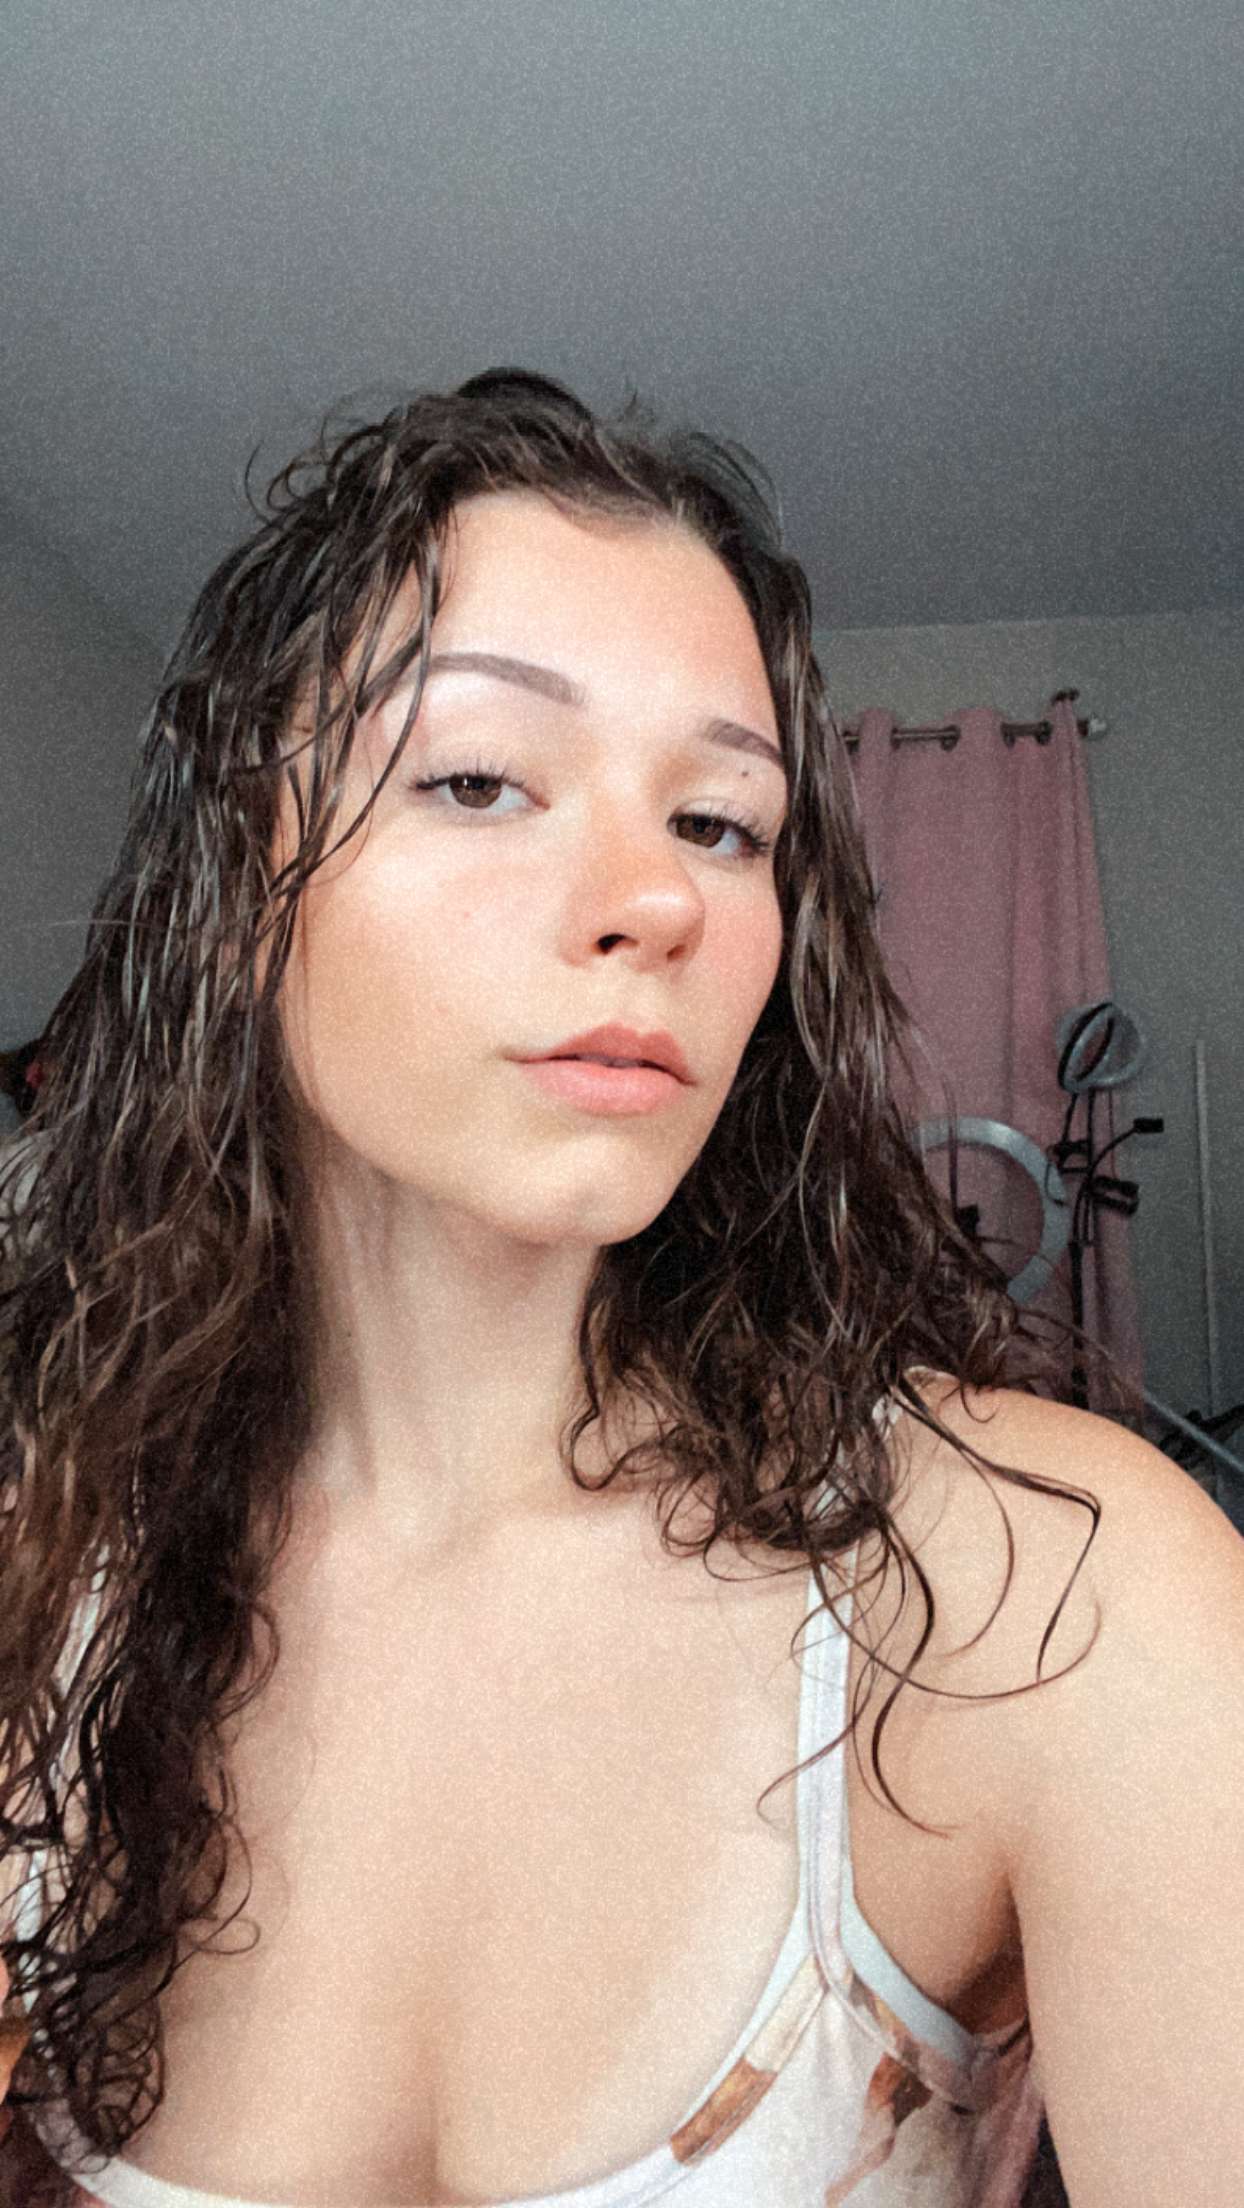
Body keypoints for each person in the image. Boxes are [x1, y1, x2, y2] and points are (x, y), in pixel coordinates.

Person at [0, 368, 1240, 2208]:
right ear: (239, 898)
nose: (655, 900)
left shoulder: (1055, 1591)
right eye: (478, 779)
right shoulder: (48, 1582)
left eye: (720, 823)